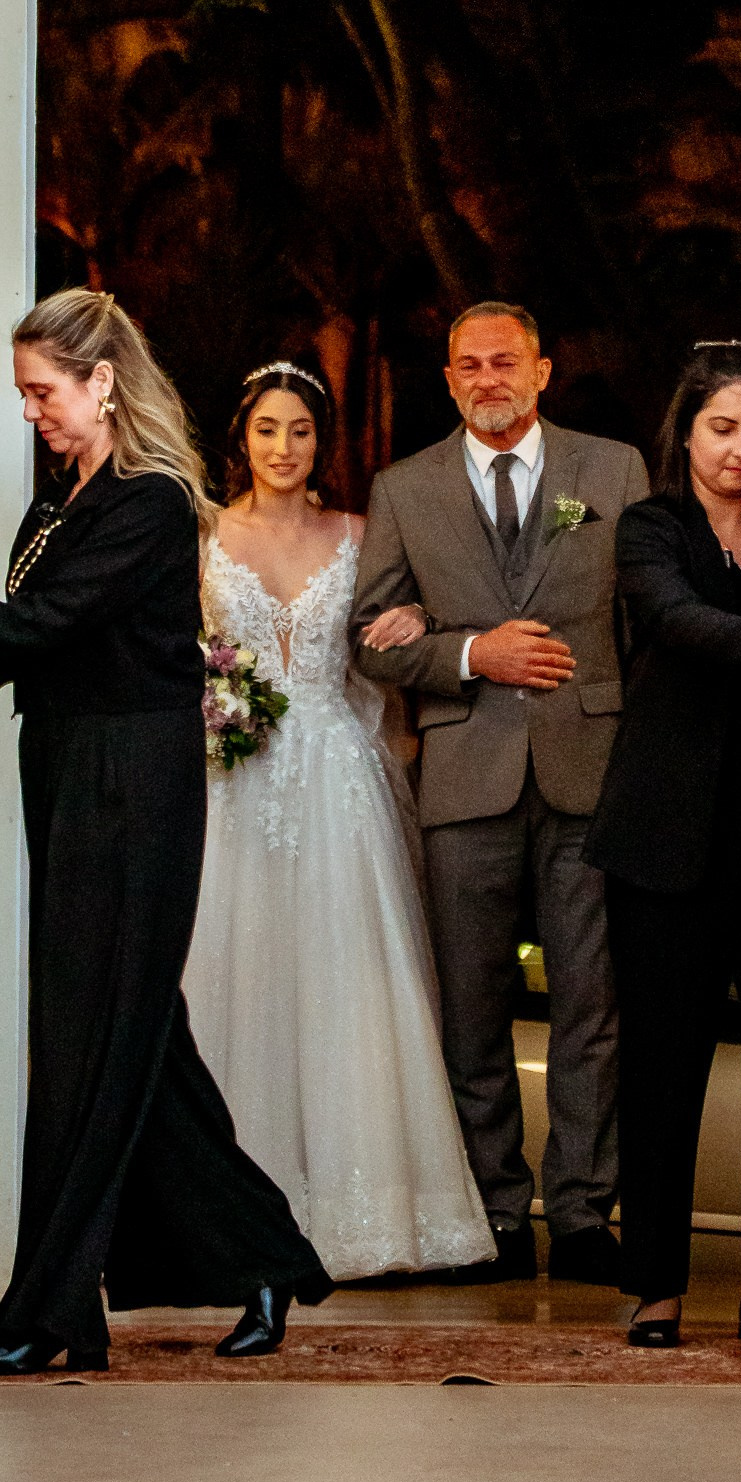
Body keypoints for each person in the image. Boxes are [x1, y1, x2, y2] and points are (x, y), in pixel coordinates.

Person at [0, 288, 330, 1375]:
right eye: (24, 394)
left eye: (44, 392)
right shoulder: (62, 502)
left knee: (97, 1033)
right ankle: (263, 1257)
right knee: (133, 1038)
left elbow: (39, 621)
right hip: (73, 770)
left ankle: (47, 1319)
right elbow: (34, 648)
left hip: (135, 777)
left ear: (101, 382)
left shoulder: (149, 501)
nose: (32, 411)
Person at [349, 302, 649, 1288]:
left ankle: (579, 1215)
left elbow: (641, 623)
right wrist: (473, 651)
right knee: (470, 1006)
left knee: (588, 1004)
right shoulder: (403, 489)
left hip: (585, 770)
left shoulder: (609, 473)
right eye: (469, 366)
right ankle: (490, 1215)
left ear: (542, 370)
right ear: (447, 379)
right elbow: (364, 639)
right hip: (464, 773)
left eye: (505, 362)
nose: (488, 379)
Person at [183, 361, 490, 1280]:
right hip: (232, 782)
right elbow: (177, 647)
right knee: (232, 982)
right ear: (242, 435)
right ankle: (222, 1210)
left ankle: (367, 1220)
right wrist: (209, 701)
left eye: (302, 432)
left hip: (339, 783)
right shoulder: (202, 536)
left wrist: (408, 631)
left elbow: (384, 661)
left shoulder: (359, 535)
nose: (284, 448)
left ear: (324, 441)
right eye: (268, 429)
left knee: (346, 983)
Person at [584, 344, 741, 1350]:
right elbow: (676, 621)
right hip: (663, 841)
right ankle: (654, 1286)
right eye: (722, 429)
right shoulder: (650, 527)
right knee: (661, 1062)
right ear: (685, 430)